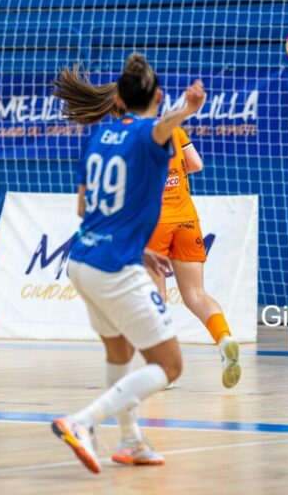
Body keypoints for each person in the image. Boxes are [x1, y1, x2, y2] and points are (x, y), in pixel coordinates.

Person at [50, 54, 205, 472]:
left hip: (82, 260)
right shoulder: (150, 135)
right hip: (114, 268)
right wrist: (188, 109)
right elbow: (158, 129)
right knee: (169, 365)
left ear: (117, 97)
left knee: (118, 353)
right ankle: (83, 422)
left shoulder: (99, 137)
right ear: (156, 97)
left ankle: (131, 440)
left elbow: (85, 207)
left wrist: (140, 245)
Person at [145, 127, 241, 389]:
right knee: (196, 294)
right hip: (186, 219)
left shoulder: (131, 135)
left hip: (155, 224)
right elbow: (196, 164)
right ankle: (224, 339)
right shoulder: (175, 129)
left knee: (156, 297)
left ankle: (161, 368)